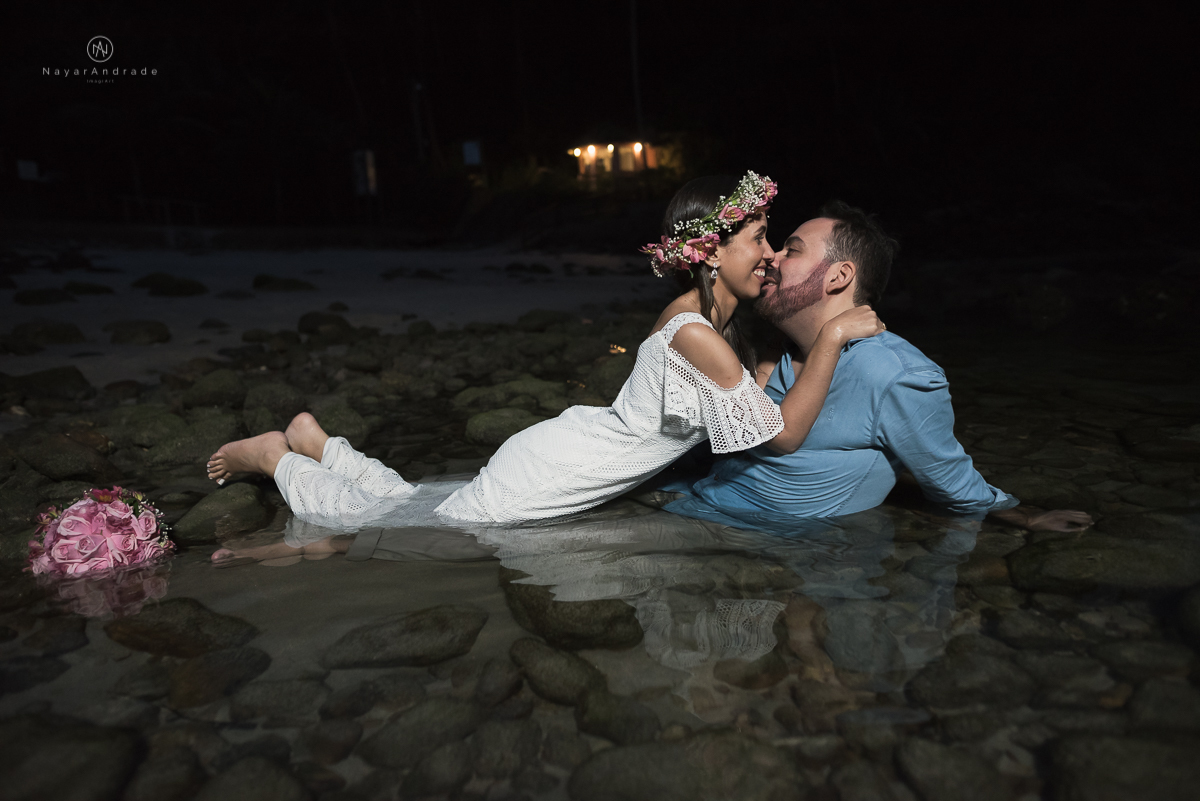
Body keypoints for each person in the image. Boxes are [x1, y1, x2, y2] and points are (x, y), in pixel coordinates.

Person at [204, 173, 885, 558]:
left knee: (417, 507)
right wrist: (829, 341)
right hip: (551, 471)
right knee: (402, 533)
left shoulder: (711, 325)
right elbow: (785, 434)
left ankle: (319, 443)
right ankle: (278, 459)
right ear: (710, 253)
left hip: (561, 451)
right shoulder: (697, 334)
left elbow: (751, 409)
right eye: (760, 237)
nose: (769, 253)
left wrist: (776, 351)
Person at [664, 201, 1093, 533]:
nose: (772, 257)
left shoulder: (896, 373)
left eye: (791, 250)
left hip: (769, 550)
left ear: (838, 277)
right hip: (697, 510)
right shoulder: (773, 353)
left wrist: (1019, 515)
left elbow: (945, 472)